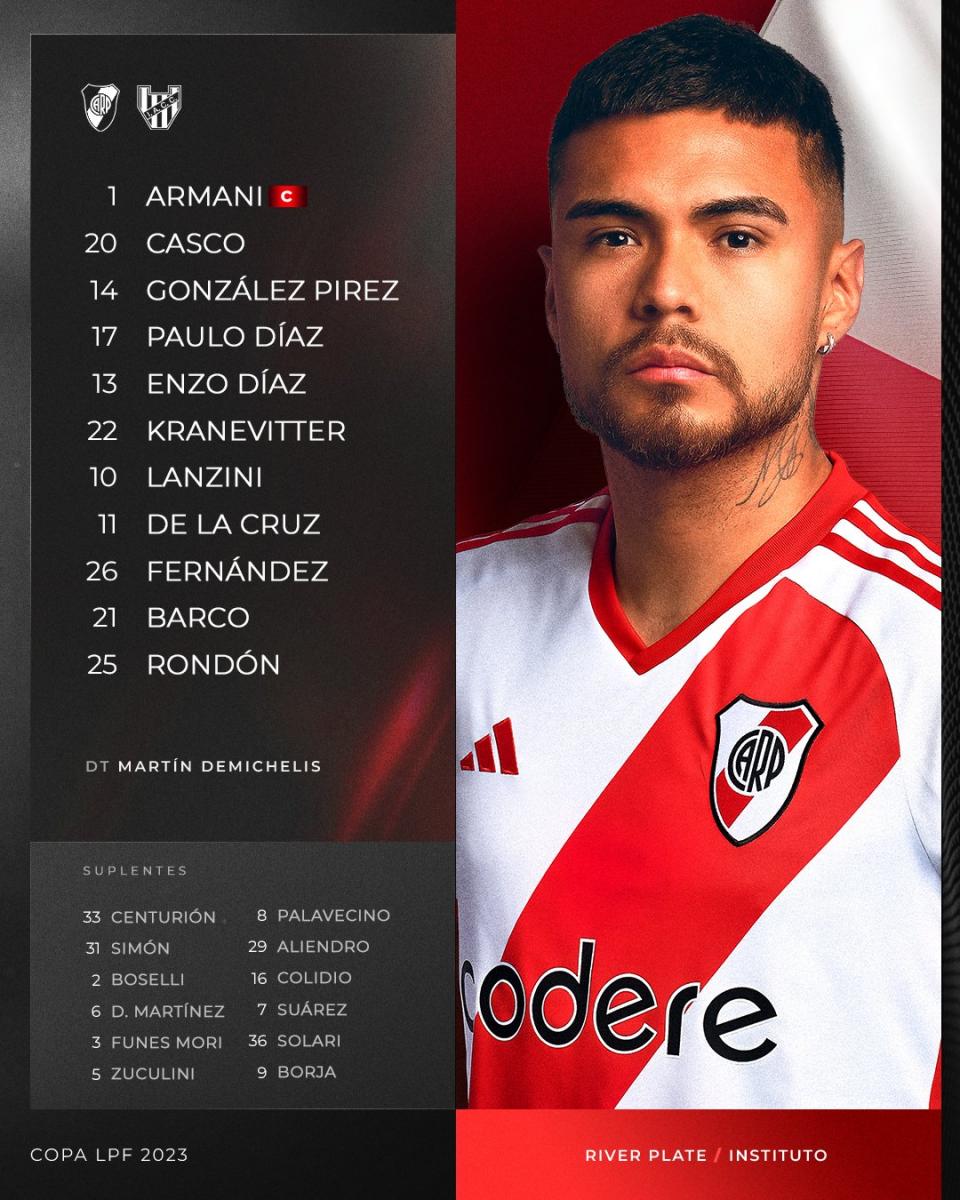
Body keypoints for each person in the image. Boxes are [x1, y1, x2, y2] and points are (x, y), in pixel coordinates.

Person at [456, 14, 940, 1109]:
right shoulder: (440, 627)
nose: (668, 288)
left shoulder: (925, 655)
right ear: (552, 294)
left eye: (736, 236)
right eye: (614, 235)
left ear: (838, 292)